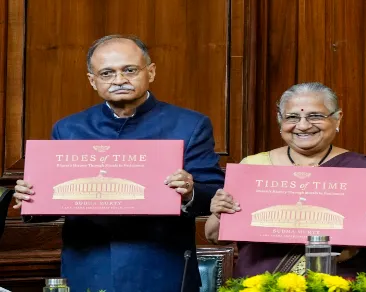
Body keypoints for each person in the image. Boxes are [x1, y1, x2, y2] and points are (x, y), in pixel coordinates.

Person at [11, 35, 225, 292]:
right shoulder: (68, 129)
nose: (119, 80)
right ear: (93, 81)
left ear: (151, 72)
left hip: (161, 266)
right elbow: (54, 198)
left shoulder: (190, 125)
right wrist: (32, 197)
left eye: (130, 70)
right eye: (107, 73)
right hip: (88, 264)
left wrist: (190, 191)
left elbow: (213, 192)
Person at [205, 82, 366, 277]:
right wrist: (219, 212)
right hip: (262, 283)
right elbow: (214, 236)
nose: (303, 126)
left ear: (337, 118)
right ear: (280, 120)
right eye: (292, 117)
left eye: (315, 116)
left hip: (341, 283)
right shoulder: (253, 167)